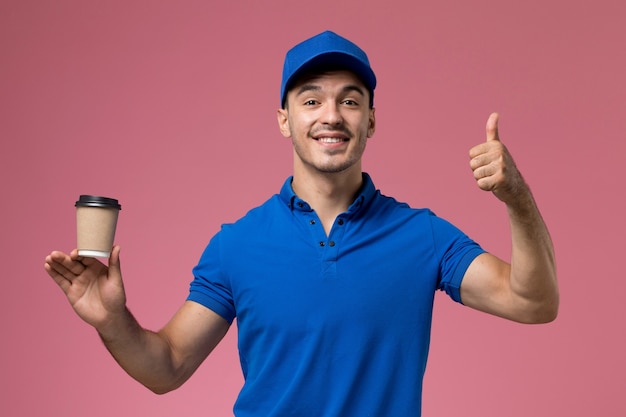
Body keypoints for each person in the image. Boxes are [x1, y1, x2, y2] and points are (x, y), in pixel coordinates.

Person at [44, 30, 559, 416]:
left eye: (350, 101)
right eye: (311, 100)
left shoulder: (422, 237)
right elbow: (168, 367)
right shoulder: (236, 245)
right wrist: (112, 320)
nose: (331, 115)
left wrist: (517, 198)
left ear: (371, 121)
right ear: (285, 119)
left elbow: (534, 302)